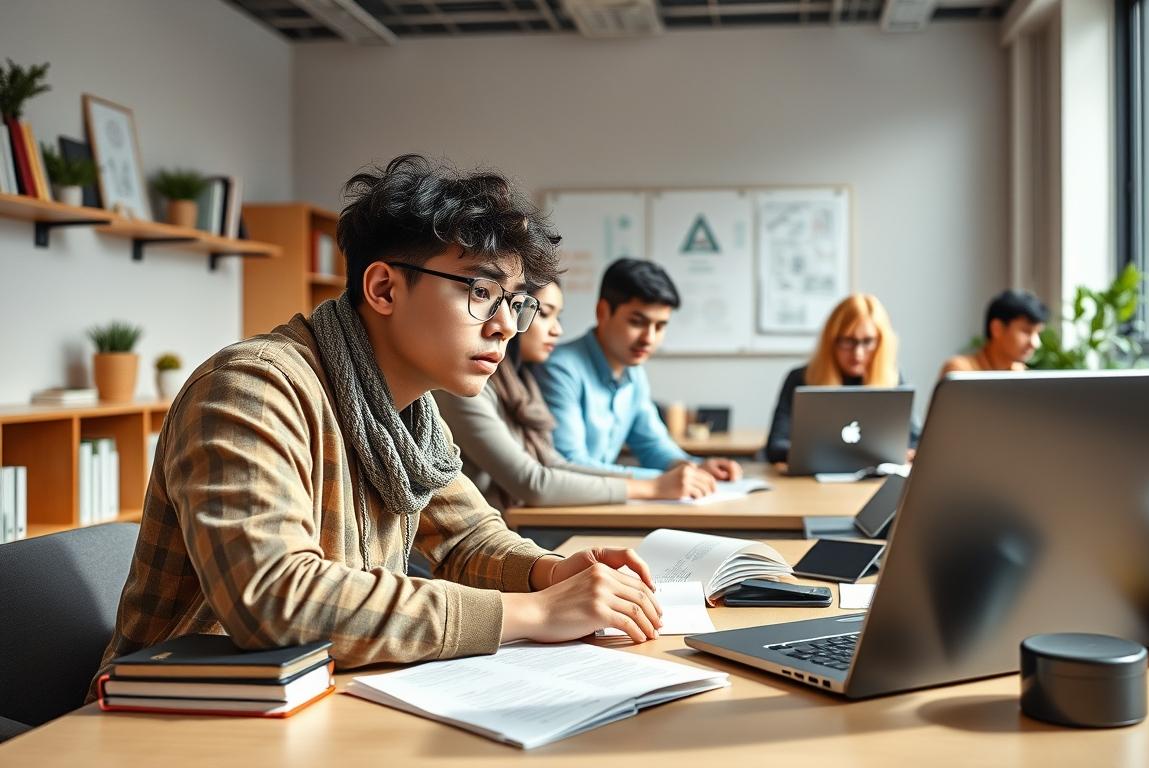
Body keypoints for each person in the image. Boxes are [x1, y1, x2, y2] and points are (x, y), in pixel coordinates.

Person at [89, 155, 666, 700]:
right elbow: (275, 600)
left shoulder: (410, 407)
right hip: (186, 713)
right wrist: (535, 612)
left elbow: (466, 537)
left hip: (326, 696)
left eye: (514, 302)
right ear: (384, 288)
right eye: (481, 292)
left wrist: (550, 572)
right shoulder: (251, 388)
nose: (505, 327)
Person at [435, 279, 715, 509]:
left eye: (557, 316)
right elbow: (533, 483)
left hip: (509, 527)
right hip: (481, 538)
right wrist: (653, 486)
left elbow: (555, 463)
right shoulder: (468, 388)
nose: (558, 330)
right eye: (543, 314)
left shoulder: (521, 385)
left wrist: (681, 474)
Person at [535, 258, 742, 484]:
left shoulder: (634, 373)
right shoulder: (559, 369)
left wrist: (693, 468)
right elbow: (570, 464)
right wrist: (664, 481)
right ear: (602, 312)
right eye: (637, 322)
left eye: (660, 326)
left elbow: (652, 444)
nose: (649, 339)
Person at [765, 294, 919, 464]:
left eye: (868, 341)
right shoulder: (800, 379)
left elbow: (916, 441)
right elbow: (775, 446)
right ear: (831, 341)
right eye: (848, 341)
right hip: (812, 478)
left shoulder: (893, 380)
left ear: (881, 343)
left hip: (875, 477)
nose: (857, 353)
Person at [938, 289, 1050, 378]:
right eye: (1026, 331)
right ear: (997, 329)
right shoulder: (959, 373)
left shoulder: (1024, 375)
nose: (1035, 343)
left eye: (1038, 333)